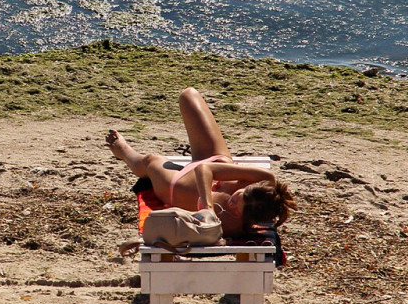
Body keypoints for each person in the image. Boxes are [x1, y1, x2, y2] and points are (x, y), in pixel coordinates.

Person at [106, 87, 294, 239]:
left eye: (237, 208)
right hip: (215, 159)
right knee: (189, 95)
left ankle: (123, 151)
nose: (232, 203)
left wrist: (204, 213)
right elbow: (205, 168)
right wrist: (208, 207)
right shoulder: (266, 179)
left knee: (150, 161)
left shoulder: (233, 227)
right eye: (240, 195)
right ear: (251, 188)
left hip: (179, 186)